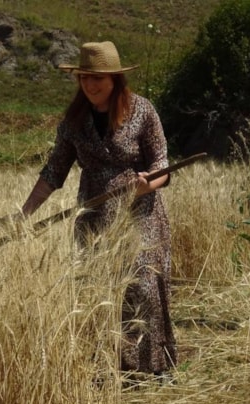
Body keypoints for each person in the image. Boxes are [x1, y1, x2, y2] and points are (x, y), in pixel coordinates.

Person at [14, 41, 176, 377]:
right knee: (100, 288)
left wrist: (148, 183)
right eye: (84, 77)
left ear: (115, 78)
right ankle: (107, 368)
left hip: (138, 212)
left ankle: (150, 368)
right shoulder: (74, 121)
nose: (90, 85)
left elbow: (162, 163)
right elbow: (54, 171)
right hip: (94, 215)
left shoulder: (142, 111)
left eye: (97, 78)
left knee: (143, 284)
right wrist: (25, 213)